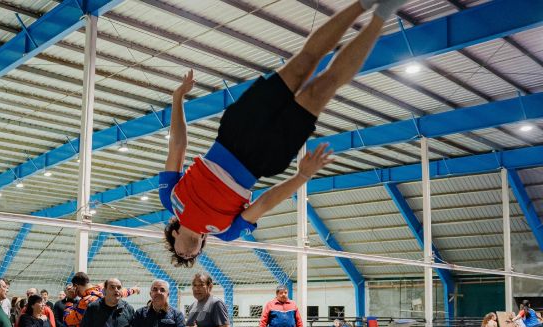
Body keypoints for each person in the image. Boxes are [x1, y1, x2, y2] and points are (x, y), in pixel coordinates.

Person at [159, 0, 409, 267]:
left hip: (235, 132)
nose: (186, 255)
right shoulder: (226, 232)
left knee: (303, 63)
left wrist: (177, 99)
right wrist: (301, 176)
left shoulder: (170, 199)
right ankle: (383, 14)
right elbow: (265, 202)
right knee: (323, 87)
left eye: (178, 253)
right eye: (191, 258)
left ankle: (363, 3)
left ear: (173, 234)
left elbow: (177, 147)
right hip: (266, 158)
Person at [64, 271, 140, 327]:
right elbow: (123, 292)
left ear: (76, 286)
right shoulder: (102, 288)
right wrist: (134, 289)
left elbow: (67, 321)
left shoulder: (85, 302)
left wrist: (70, 299)